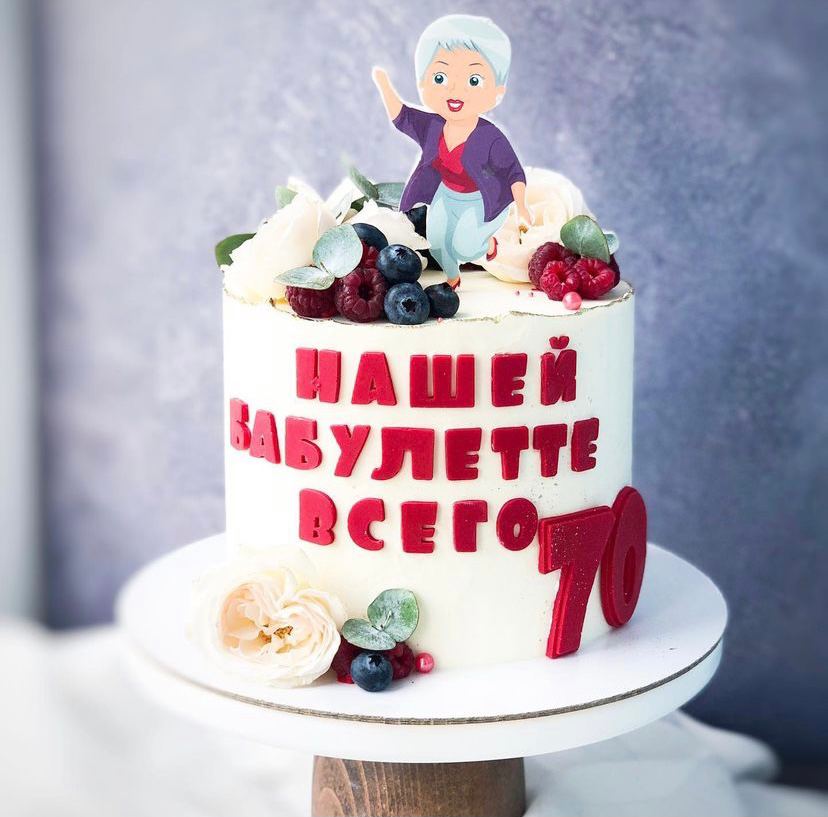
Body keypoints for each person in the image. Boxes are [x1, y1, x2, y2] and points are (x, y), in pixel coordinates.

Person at [373, 14, 532, 288]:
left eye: (474, 80)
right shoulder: (432, 126)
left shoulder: (489, 136)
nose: (455, 90)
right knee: (436, 243)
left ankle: (487, 244)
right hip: (446, 195)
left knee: (465, 247)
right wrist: (384, 86)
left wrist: (523, 208)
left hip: (480, 200)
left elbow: (513, 172)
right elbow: (403, 117)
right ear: (422, 83)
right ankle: (452, 278)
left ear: (497, 92)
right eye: (440, 77)